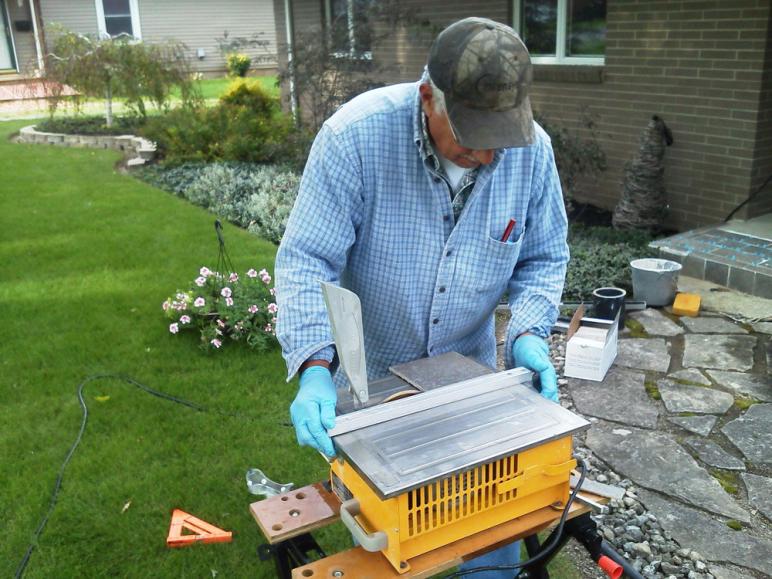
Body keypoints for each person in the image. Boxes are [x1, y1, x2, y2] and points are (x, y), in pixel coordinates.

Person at [276, 16, 569, 578]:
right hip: (372, 384)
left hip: (472, 381)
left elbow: (544, 258)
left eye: (498, 138)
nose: (487, 157)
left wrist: (529, 334)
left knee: (490, 534)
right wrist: (315, 364)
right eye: (470, 135)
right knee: (384, 544)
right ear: (427, 97)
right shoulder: (354, 138)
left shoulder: (532, 153)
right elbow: (308, 260)